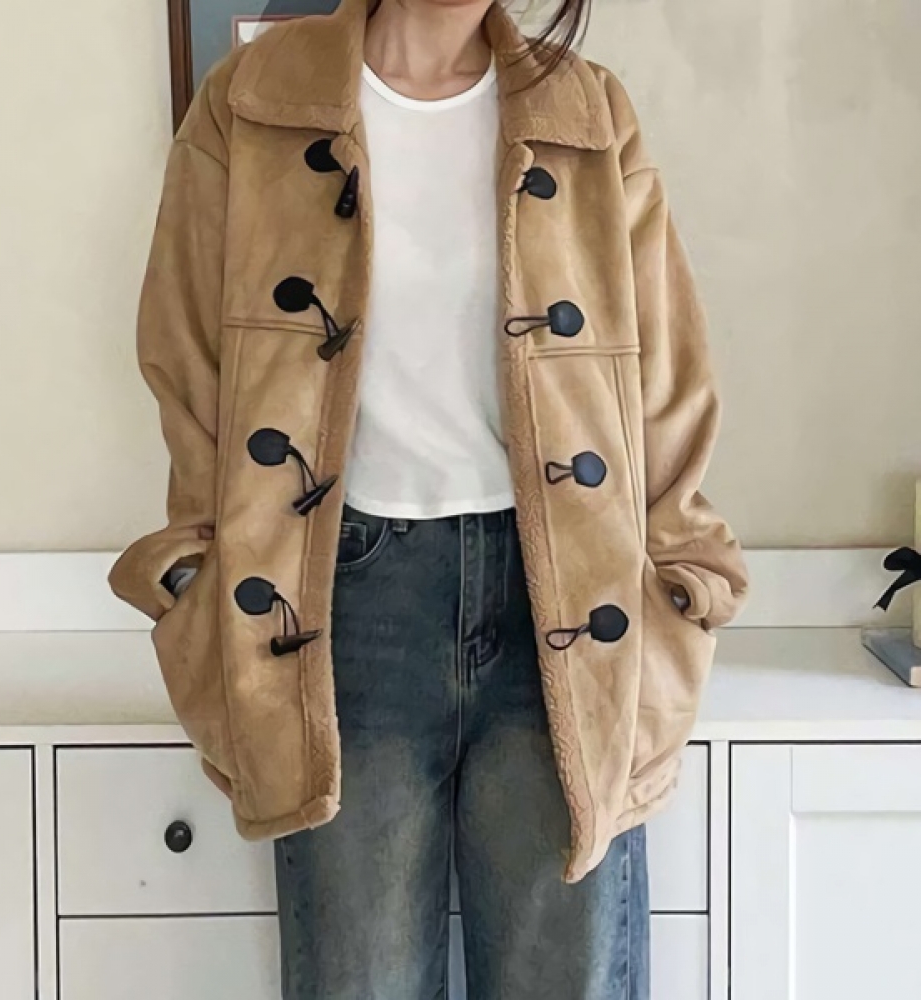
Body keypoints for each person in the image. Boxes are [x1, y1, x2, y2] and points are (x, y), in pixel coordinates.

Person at [108, 0, 748, 996]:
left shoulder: (585, 110)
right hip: (339, 612)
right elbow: (188, 360)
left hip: (566, 602)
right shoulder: (254, 100)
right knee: (355, 979)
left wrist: (684, 574)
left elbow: (663, 374)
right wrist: (198, 571)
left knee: (565, 979)